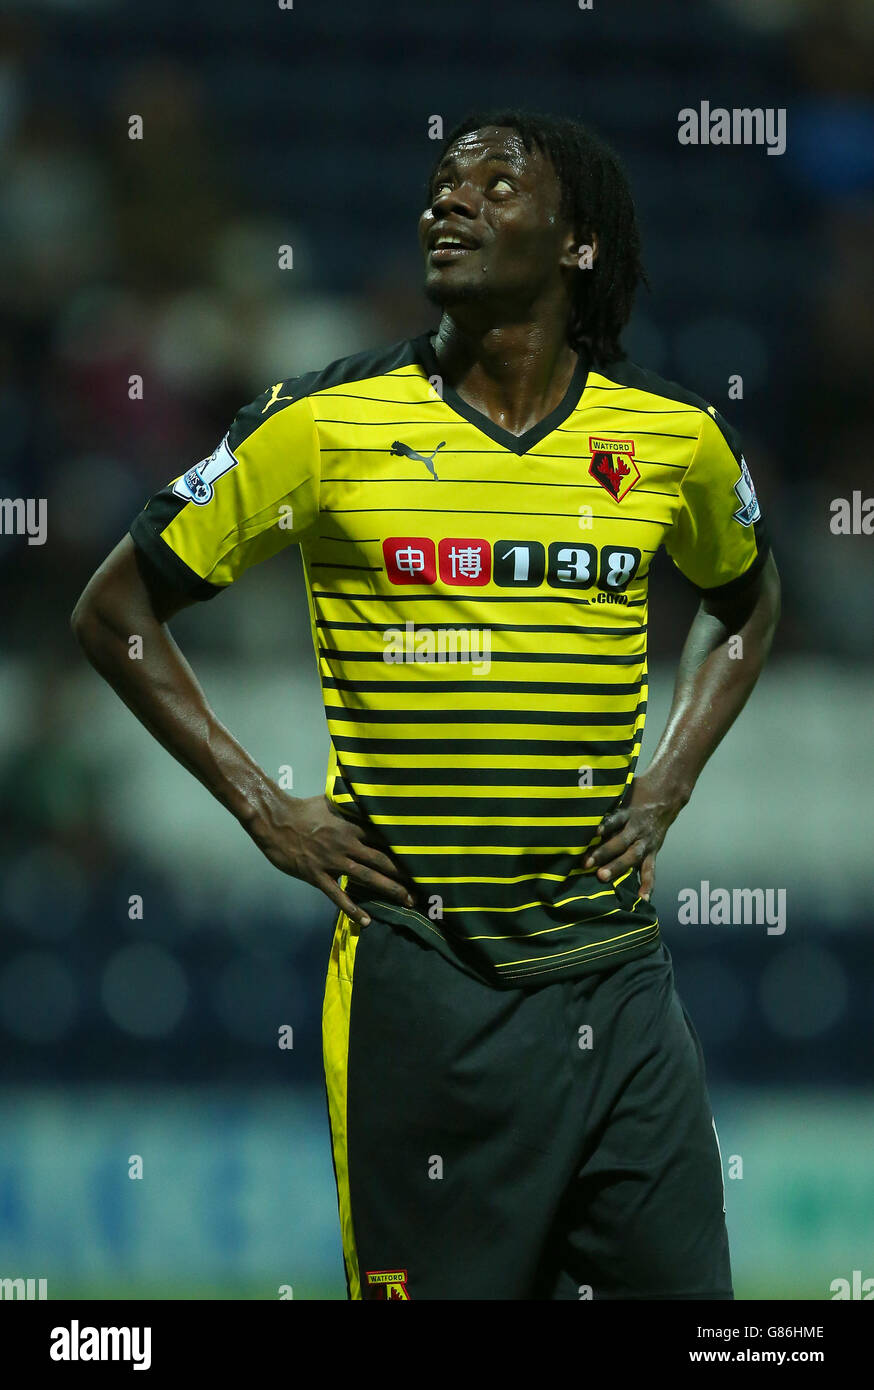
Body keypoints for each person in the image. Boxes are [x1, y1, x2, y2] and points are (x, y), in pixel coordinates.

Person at [72, 109, 781, 1300]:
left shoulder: (674, 438)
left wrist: (669, 781)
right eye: (442, 185)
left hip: (615, 986)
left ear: (579, 245)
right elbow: (114, 607)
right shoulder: (322, 424)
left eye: (497, 185)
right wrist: (263, 807)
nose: (449, 203)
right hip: (422, 987)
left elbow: (747, 601)